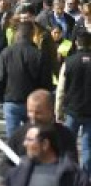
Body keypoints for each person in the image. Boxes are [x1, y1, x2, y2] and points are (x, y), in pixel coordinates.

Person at [0, 89, 78, 177]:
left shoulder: (64, 135)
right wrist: (17, 174)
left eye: (38, 113)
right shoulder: (19, 134)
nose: (33, 116)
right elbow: (5, 165)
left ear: (51, 111)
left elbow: (72, 165)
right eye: (30, 111)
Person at [0, 21, 53, 138]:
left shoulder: (6, 52)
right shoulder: (39, 54)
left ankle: (14, 155)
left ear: (17, 34)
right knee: (33, 135)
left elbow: (0, 77)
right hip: (33, 101)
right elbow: (46, 81)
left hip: (11, 99)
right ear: (32, 35)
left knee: (13, 137)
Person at [3, 124, 89, 186]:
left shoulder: (73, 175)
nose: (25, 144)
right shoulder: (19, 171)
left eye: (29, 140)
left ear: (45, 144)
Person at [56, 31, 91, 176]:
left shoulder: (69, 62)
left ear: (76, 43)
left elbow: (61, 89)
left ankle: (70, 174)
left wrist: (58, 111)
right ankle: (85, 176)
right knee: (88, 146)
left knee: (69, 145)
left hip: (72, 109)